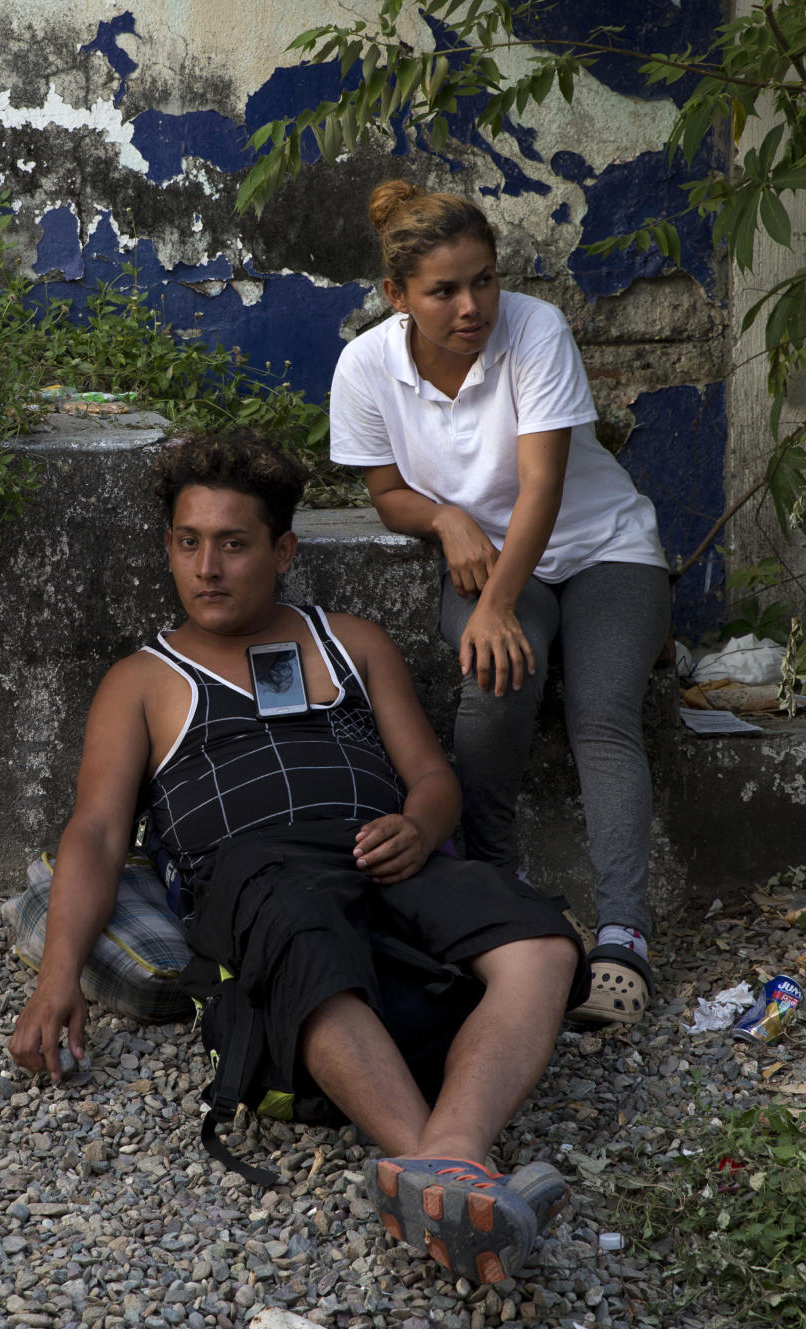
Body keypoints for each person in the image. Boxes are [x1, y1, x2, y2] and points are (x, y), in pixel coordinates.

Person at [9, 429, 590, 1285]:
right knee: (303, 938)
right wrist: (58, 976)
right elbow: (96, 833)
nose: (208, 566)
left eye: (234, 544)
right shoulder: (141, 679)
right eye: (188, 542)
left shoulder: (347, 640)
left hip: (388, 853)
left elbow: (432, 774)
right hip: (257, 877)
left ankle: (450, 1158)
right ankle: (454, 1169)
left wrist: (422, 828)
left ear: (282, 550)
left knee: (542, 942)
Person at [329, 179, 671, 1025]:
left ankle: (625, 933)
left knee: (601, 712)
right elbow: (384, 492)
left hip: (603, 549)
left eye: (483, 279)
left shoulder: (535, 329)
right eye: (444, 290)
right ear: (397, 296)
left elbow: (543, 485)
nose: (472, 304)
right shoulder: (366, 365)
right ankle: (504, 893)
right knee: (492, 687)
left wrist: (495, 605)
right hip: (489, 560)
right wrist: (445, 519)